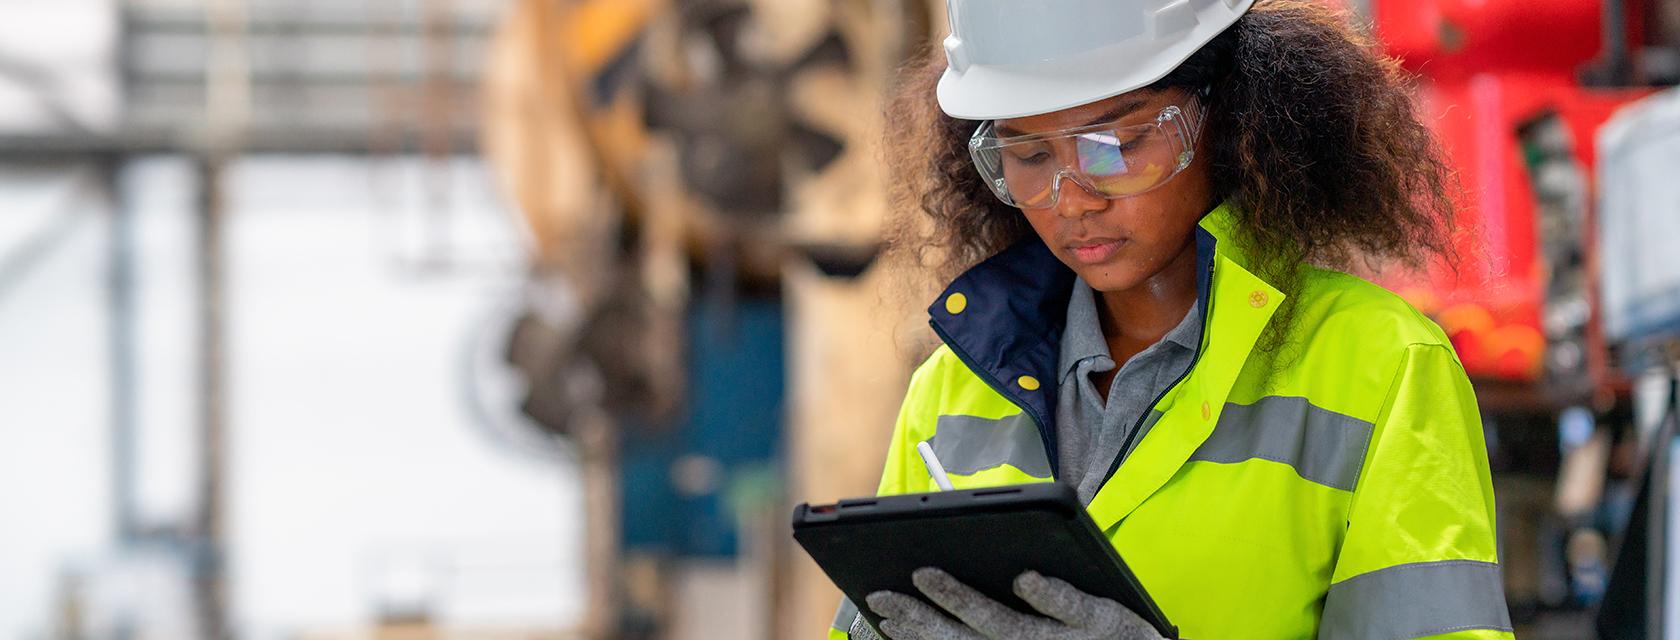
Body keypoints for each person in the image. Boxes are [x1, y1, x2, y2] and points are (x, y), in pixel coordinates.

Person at [826, 0, 1512, 638]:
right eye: (1030, 155)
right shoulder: (949, 395)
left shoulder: (1381, 366)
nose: (1072, 200)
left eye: (1115, 141)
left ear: (1231, 116)